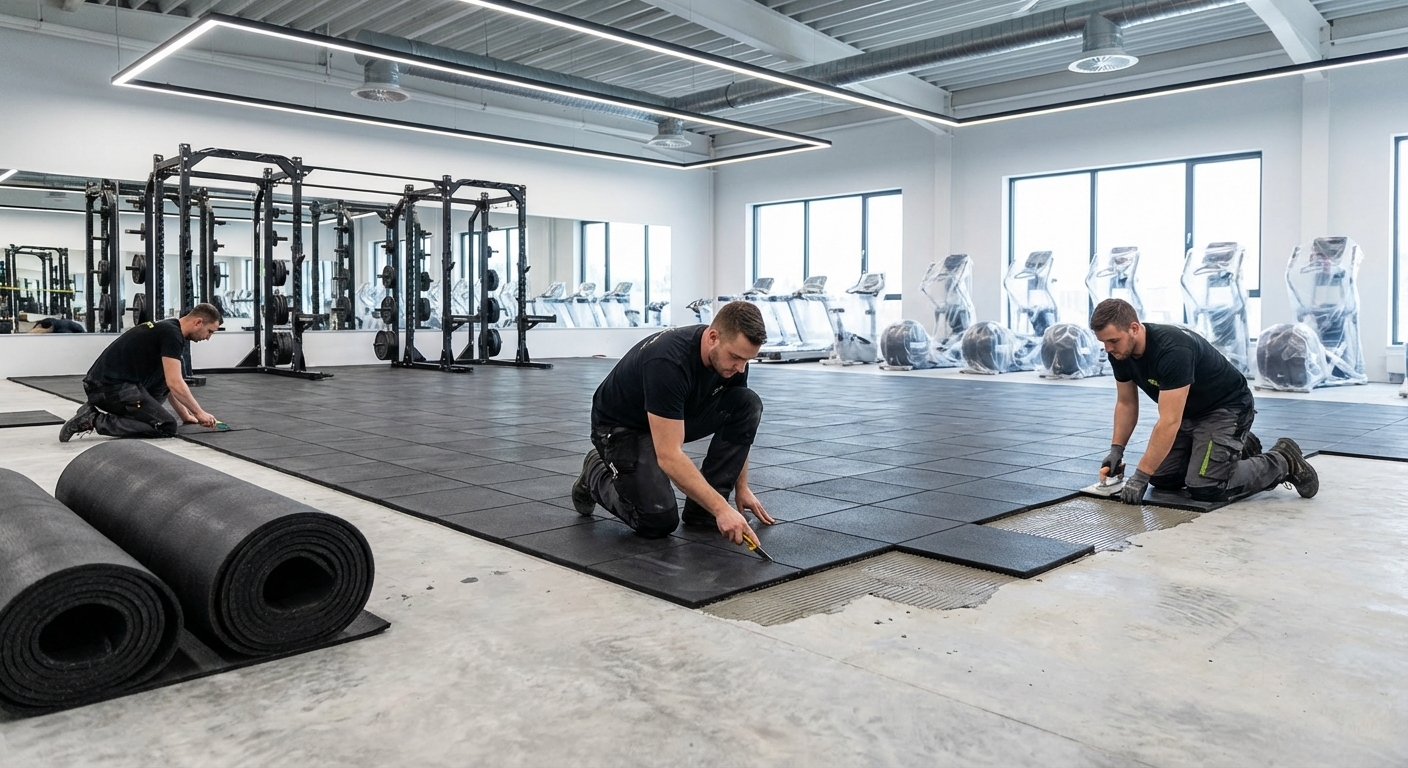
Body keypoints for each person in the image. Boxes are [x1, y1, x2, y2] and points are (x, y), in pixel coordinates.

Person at [573, 300, 776, 544]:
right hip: (621, 427)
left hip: (669, 416)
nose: (741, 368)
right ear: (713, 337)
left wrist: (741, 488)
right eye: (735, 357)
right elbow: (669, 455)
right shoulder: (668, 361)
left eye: (747, 360)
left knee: (746, 403)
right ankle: (594, 471)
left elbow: (739, 428)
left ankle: (703, 511)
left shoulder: (733, 364)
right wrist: (723, 509)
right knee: (656, 520)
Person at [1090, 298, 1318, 505]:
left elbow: (1169, 421)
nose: (1108, 349)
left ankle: (1284, 460)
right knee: (1162, 477)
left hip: (1226, 408)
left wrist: (1140, 476)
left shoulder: (1172, 349)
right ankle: (1237, 448)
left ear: (1134, 328)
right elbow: (1127, 404)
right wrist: (1116, 449)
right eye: (1104, 342)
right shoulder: (1120, 353)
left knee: (1207, 486)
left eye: (1113, 341)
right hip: (1189, 413)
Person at [59, 303, 223, 442]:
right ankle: (94, 420)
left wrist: (186, 416)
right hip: (107, 388)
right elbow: (175, 383)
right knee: (165, 426)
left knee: (163, 381)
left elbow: (168, 382)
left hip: (111, 386)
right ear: (198, 322)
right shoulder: (171, 334)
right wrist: (199, 413)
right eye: (210, 331)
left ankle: (111, 414)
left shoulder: (169, 329)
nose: (208, 338)